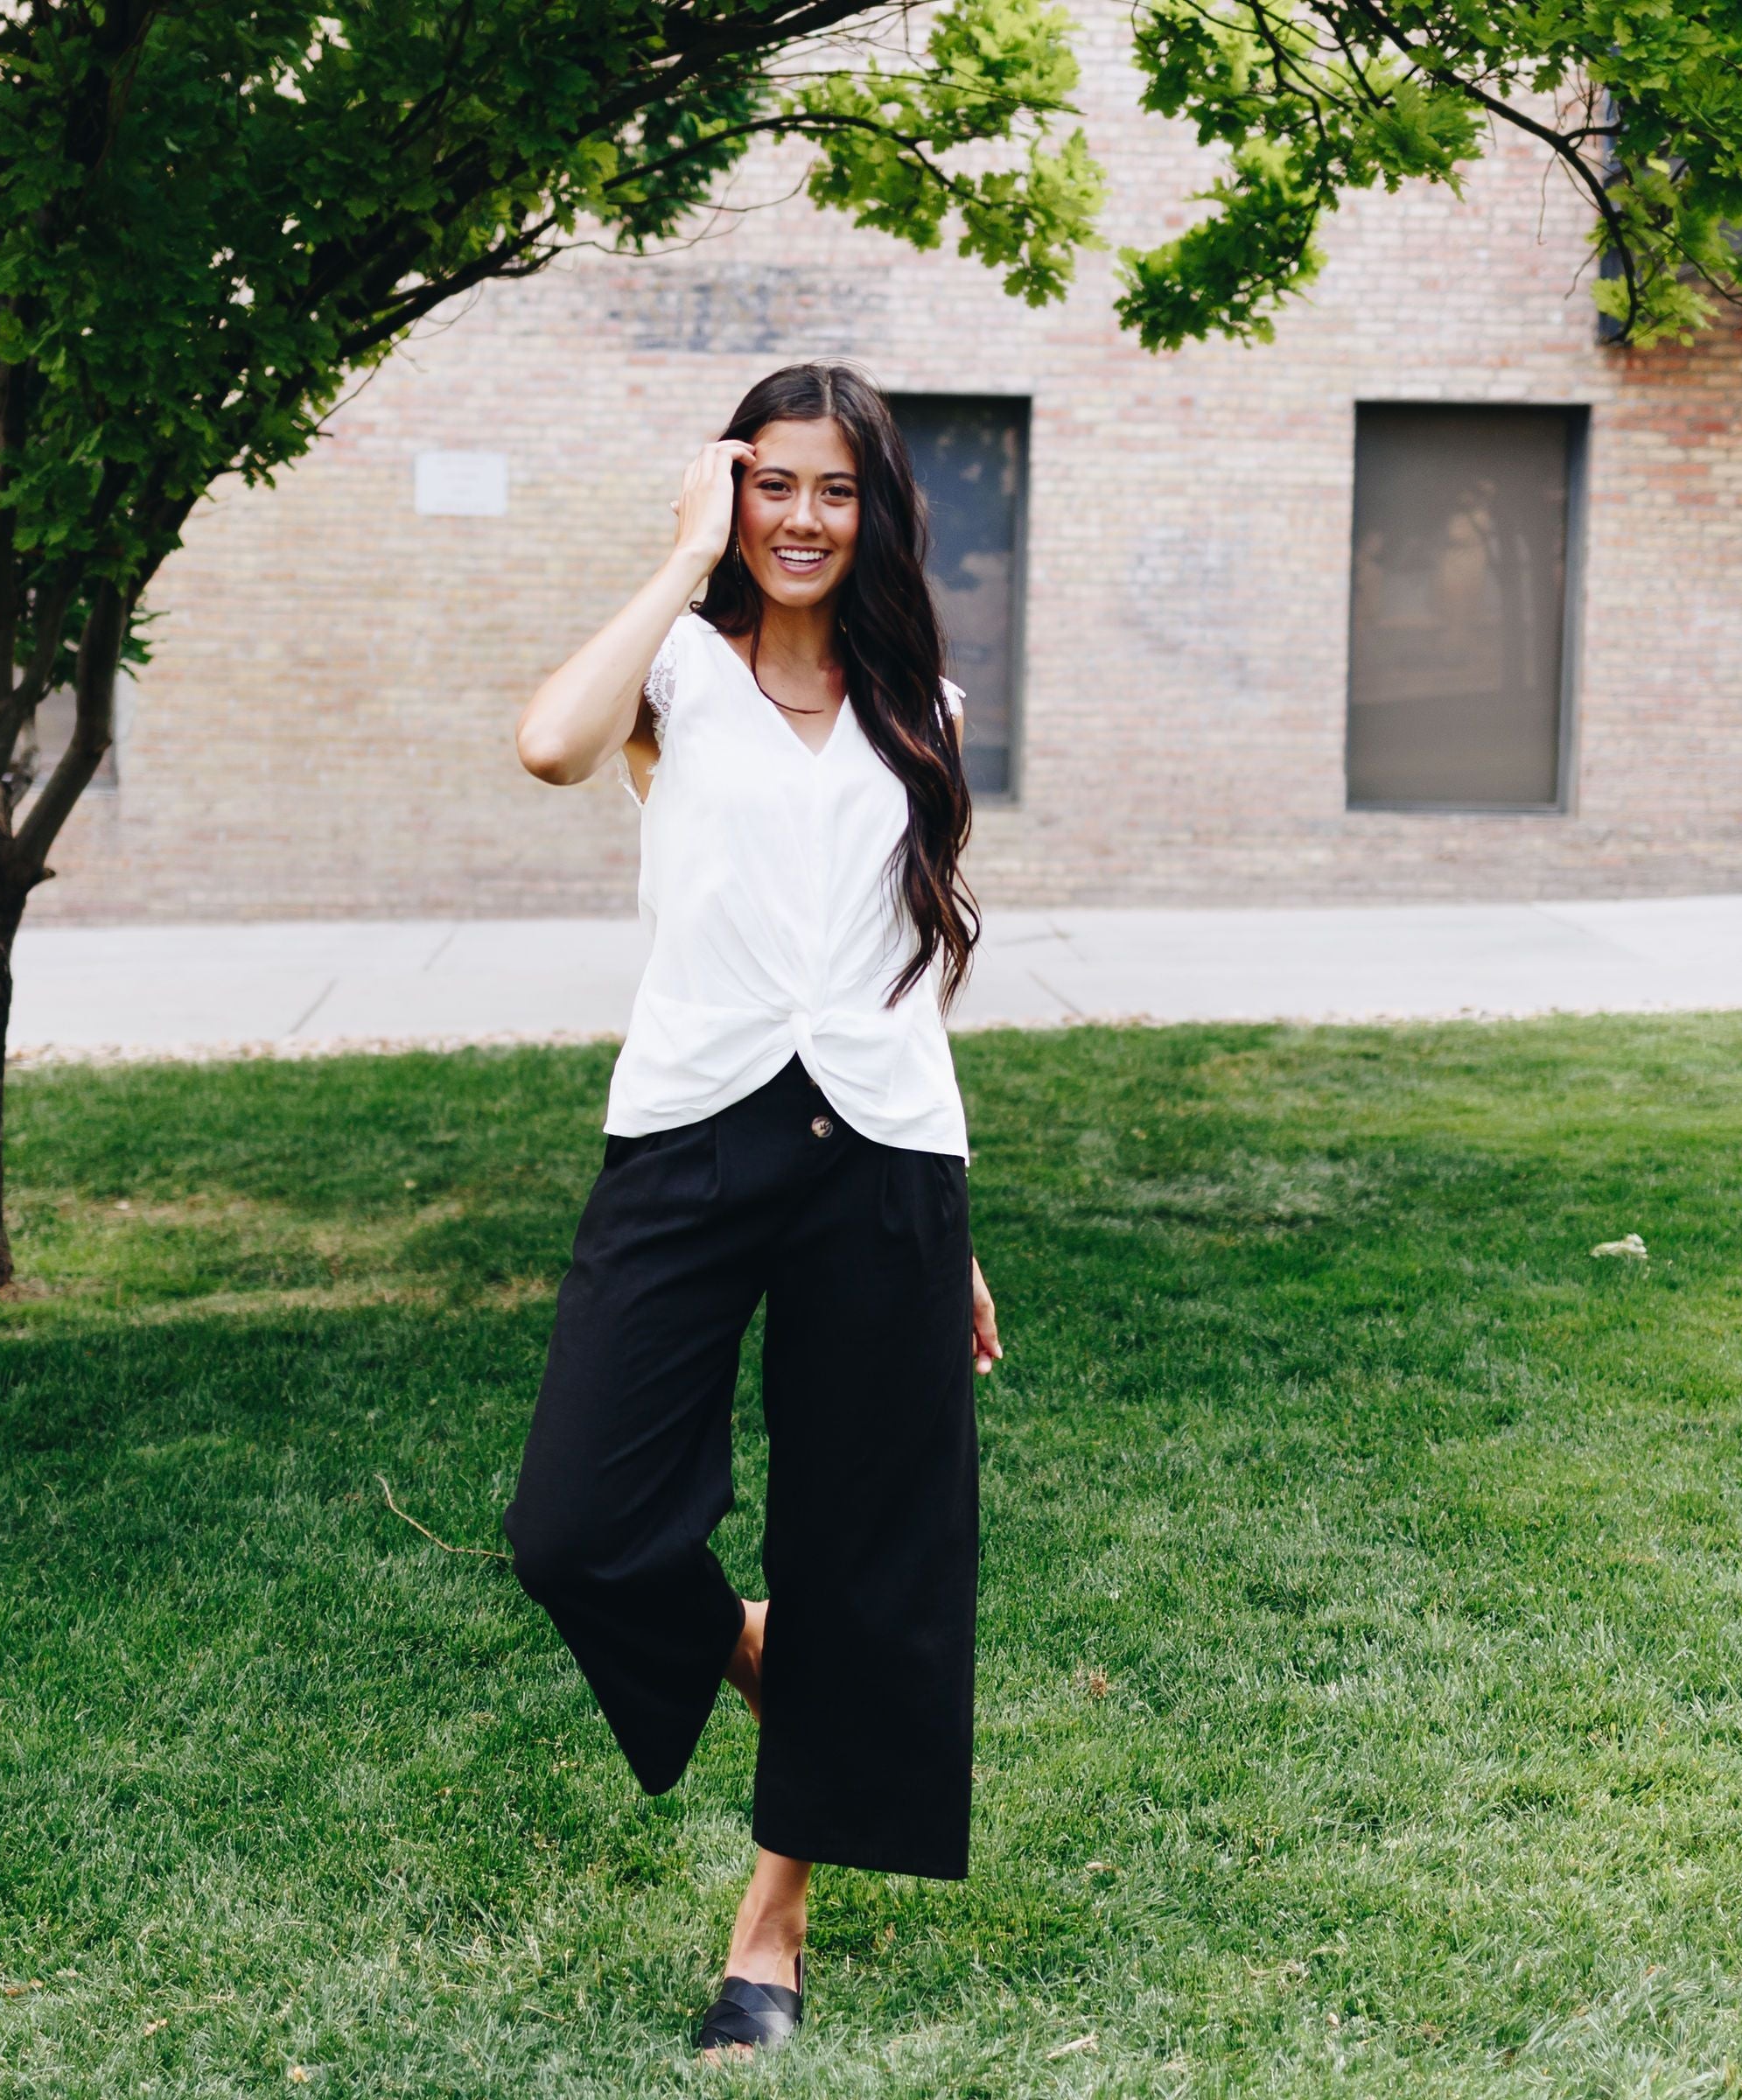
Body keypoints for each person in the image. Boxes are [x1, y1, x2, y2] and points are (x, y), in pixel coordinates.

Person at [505, 360, 1004, 2060]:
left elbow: (902, 969)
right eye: (772, 485)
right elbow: (545, 744)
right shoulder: (675, 677)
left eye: (834, 491)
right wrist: (674, 556)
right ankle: (757, 1653)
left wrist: (961, 1227)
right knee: (574, 1523)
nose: (802, 519)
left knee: (863, 1545)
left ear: (876, 514)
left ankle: (770, 1933)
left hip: (883, 1155)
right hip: (693, 1132)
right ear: (734, 494)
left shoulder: (916, 693)